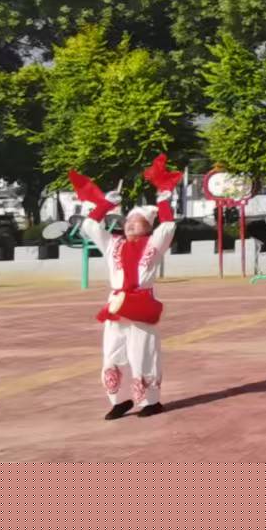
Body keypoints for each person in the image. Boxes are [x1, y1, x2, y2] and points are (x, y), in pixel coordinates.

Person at [74, 157, 179, 419]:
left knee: (142, 353)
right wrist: (105, 205)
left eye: (137, 221)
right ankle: (119, 400)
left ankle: (151, 401)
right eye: (128, 220)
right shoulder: (113, 244)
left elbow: (168, 226)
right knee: (112, 352)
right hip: (117, 304)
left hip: (141, 304)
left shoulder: (153, 244)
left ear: (148, 227)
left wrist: (163, 200)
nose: (130, 224)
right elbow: (89, 226)